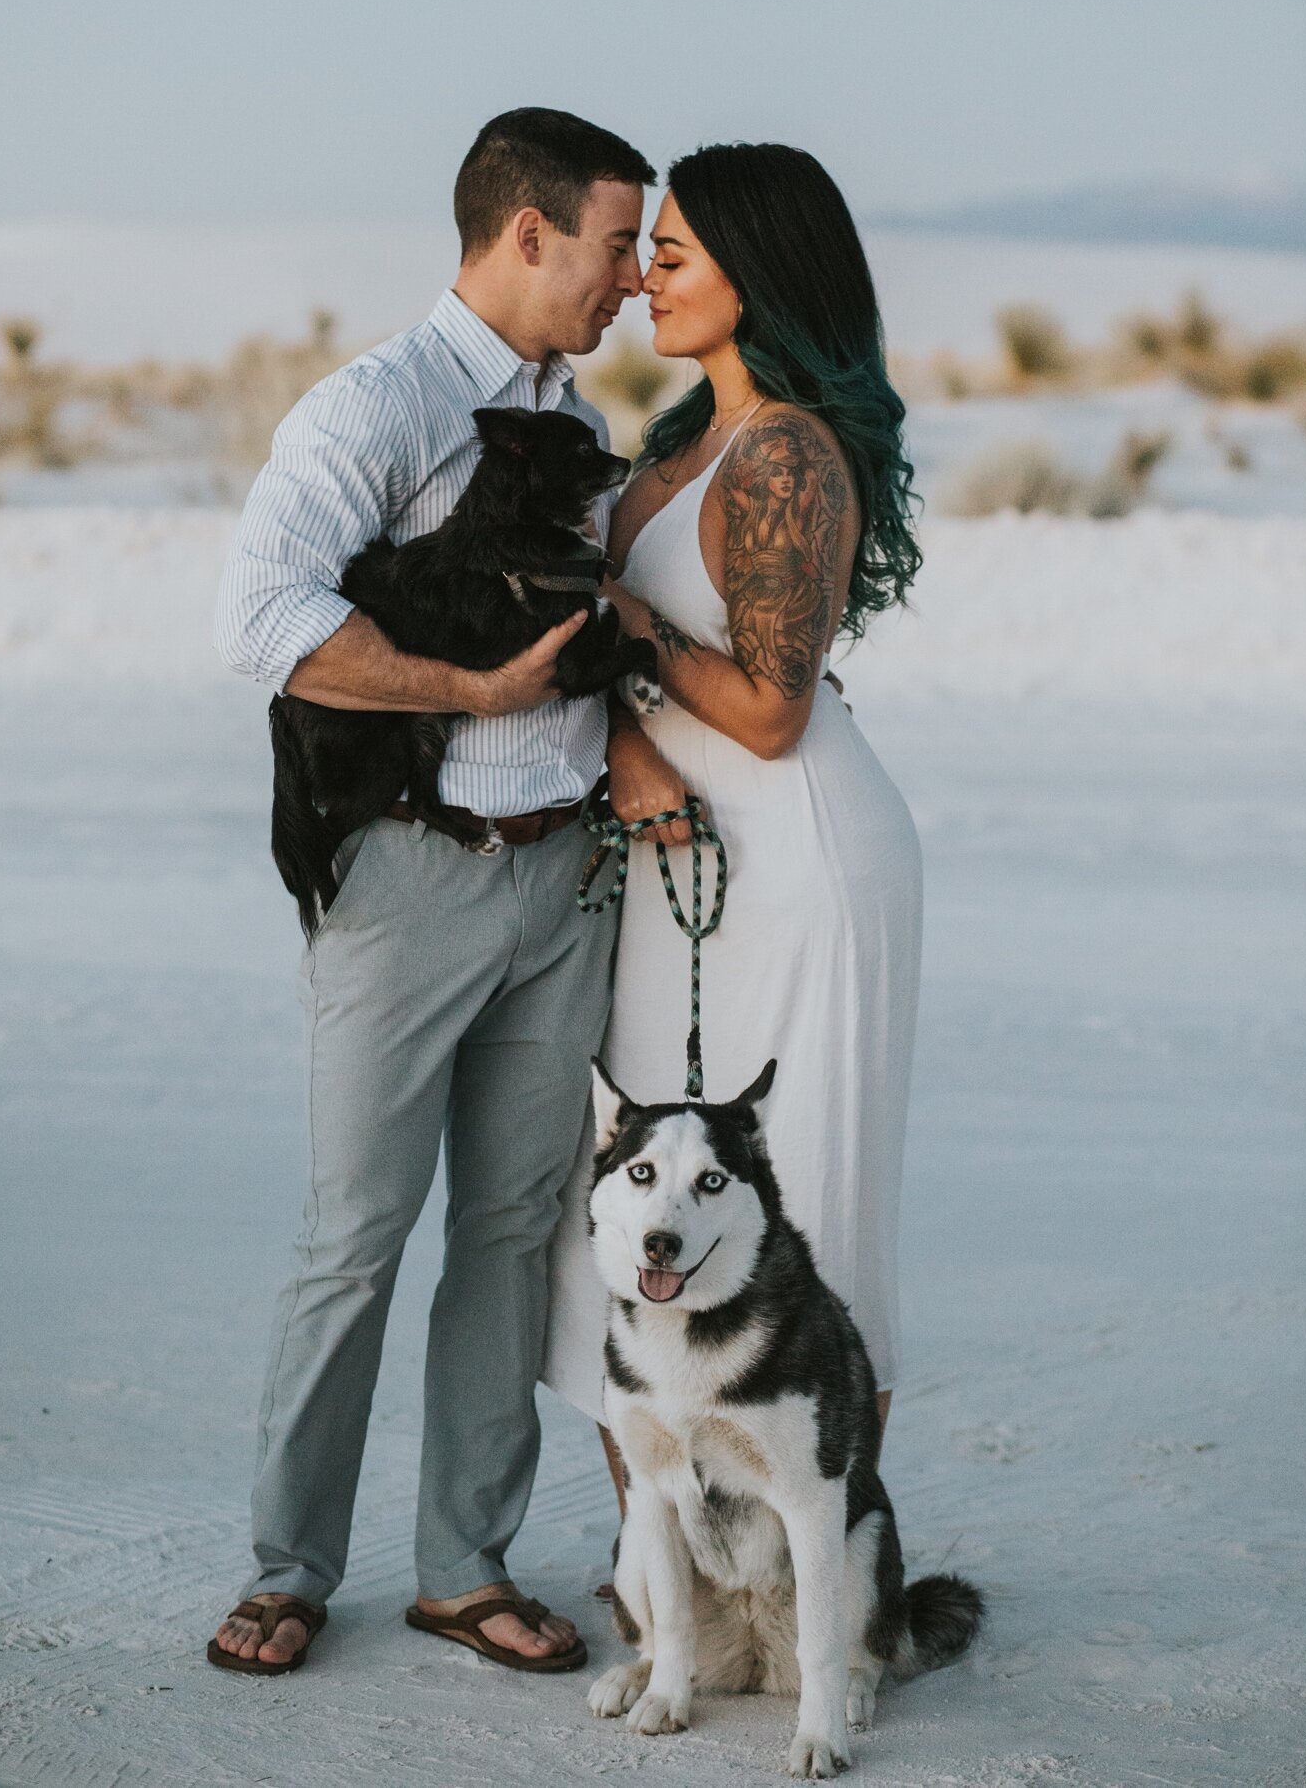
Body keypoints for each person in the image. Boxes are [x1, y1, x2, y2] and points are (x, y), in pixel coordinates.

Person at [207, 108, 655, 1676]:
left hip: (564, 887)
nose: (634, 281)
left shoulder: (579, 417)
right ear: (526, 233)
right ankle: (288, 1566)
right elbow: (261, 612)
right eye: (616, 243)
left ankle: (465, 1563)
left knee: (516, 1232)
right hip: (409, 883)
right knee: (358, 1232)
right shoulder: (377, 406)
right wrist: (464, 691)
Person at [541, 142, 924, 1507]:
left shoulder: (788, 455)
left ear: (756, 278)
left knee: (795, 1195)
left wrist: (632, 631)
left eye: (679, 253)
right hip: (676, 862)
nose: (645, 269)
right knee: (639, 1196)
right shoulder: (682, 439)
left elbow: (770, 707)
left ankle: (817, 1571)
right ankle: (673, 1570)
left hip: (792, 856)